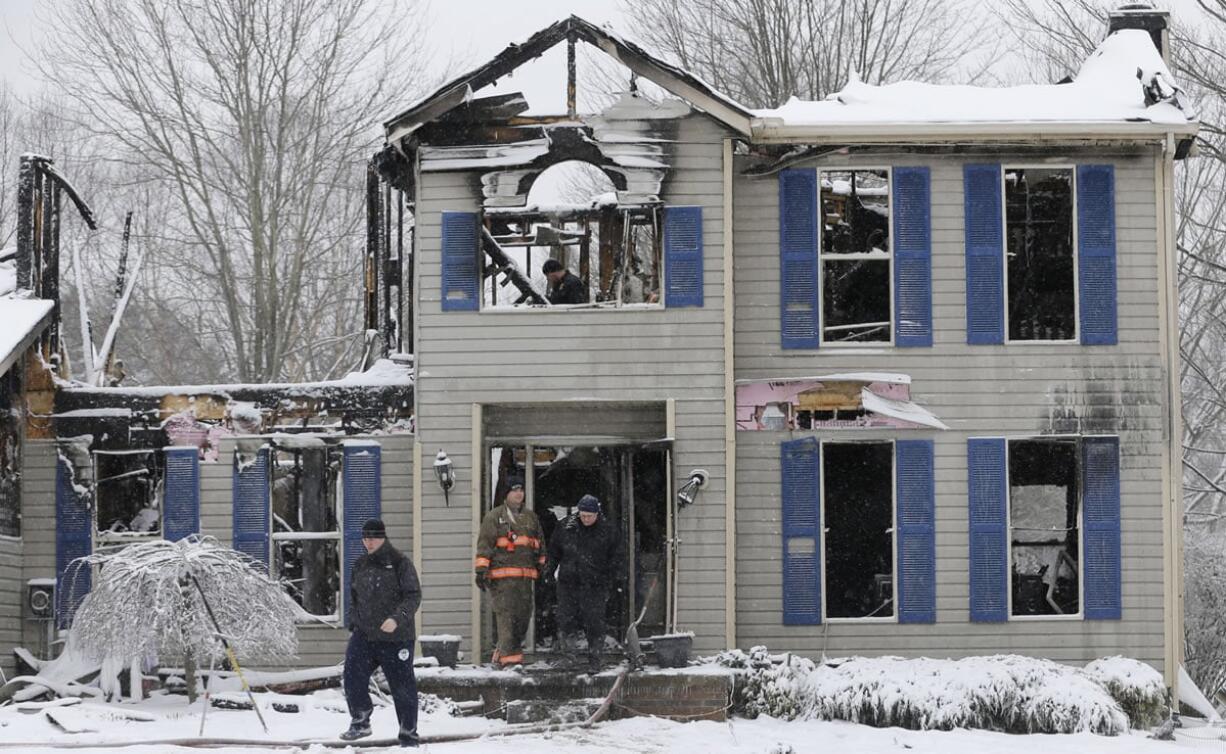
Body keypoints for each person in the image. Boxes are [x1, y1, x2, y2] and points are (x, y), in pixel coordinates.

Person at [341, 519, 422, 747]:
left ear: (383, 537)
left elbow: (413, 596)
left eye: (373, 537)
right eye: (365, 538)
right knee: (352, 674)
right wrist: (354, 623)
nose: (369, 542)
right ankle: (360, 720)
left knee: (402, 686)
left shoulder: (400, 563)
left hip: (397, 638)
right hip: (365, 635)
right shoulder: (360, 565)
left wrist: (397, 619)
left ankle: (408, 735)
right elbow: (355, 598)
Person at [547, 494, 624, 673]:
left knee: (595, 622)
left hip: (595, 585)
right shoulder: (566, 527)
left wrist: (610, 579)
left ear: (597, 514)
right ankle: (568, 658)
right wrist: (549, 571)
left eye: (589, 516)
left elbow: (617, 558)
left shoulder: (608, 530)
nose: (586, 519)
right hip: (568, 583)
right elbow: (554, 552)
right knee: (566, 620)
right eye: (583, 515)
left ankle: (595, 659)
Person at [474, 473, 545, 667]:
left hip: (524, 581)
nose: (519, 494)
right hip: (502, 583)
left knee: (522, 621)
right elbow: (485, 545)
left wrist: (542, 565)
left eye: (521, 489)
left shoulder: (531, 518)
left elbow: (539, 545)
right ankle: (508, 666)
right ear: (506, 493)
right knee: (507, 622)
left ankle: (505, 656)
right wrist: (481, 570)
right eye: (514, 490)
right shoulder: (494, 518)